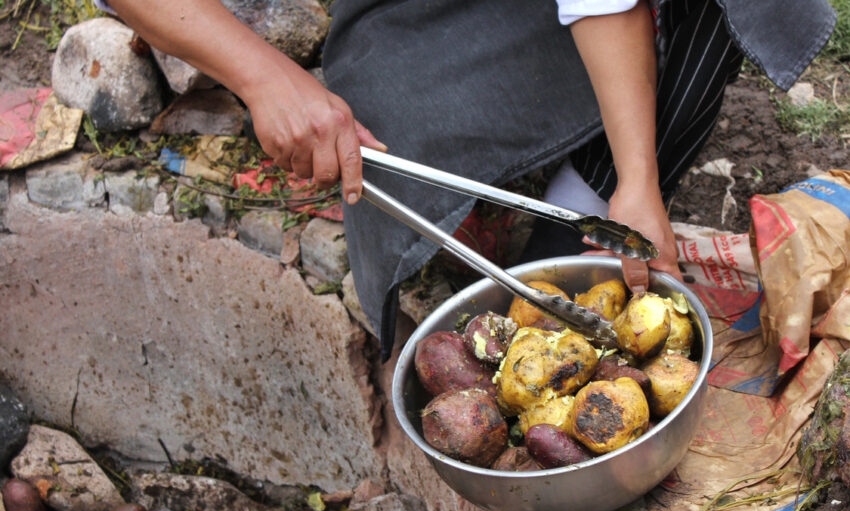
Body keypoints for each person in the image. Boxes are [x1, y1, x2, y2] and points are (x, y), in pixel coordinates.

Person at [98, 0, 835, 356]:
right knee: (403, 123)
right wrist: (265, 79)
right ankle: (527, 261)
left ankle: (564, 243)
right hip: (411, 19)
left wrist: (637, 175)